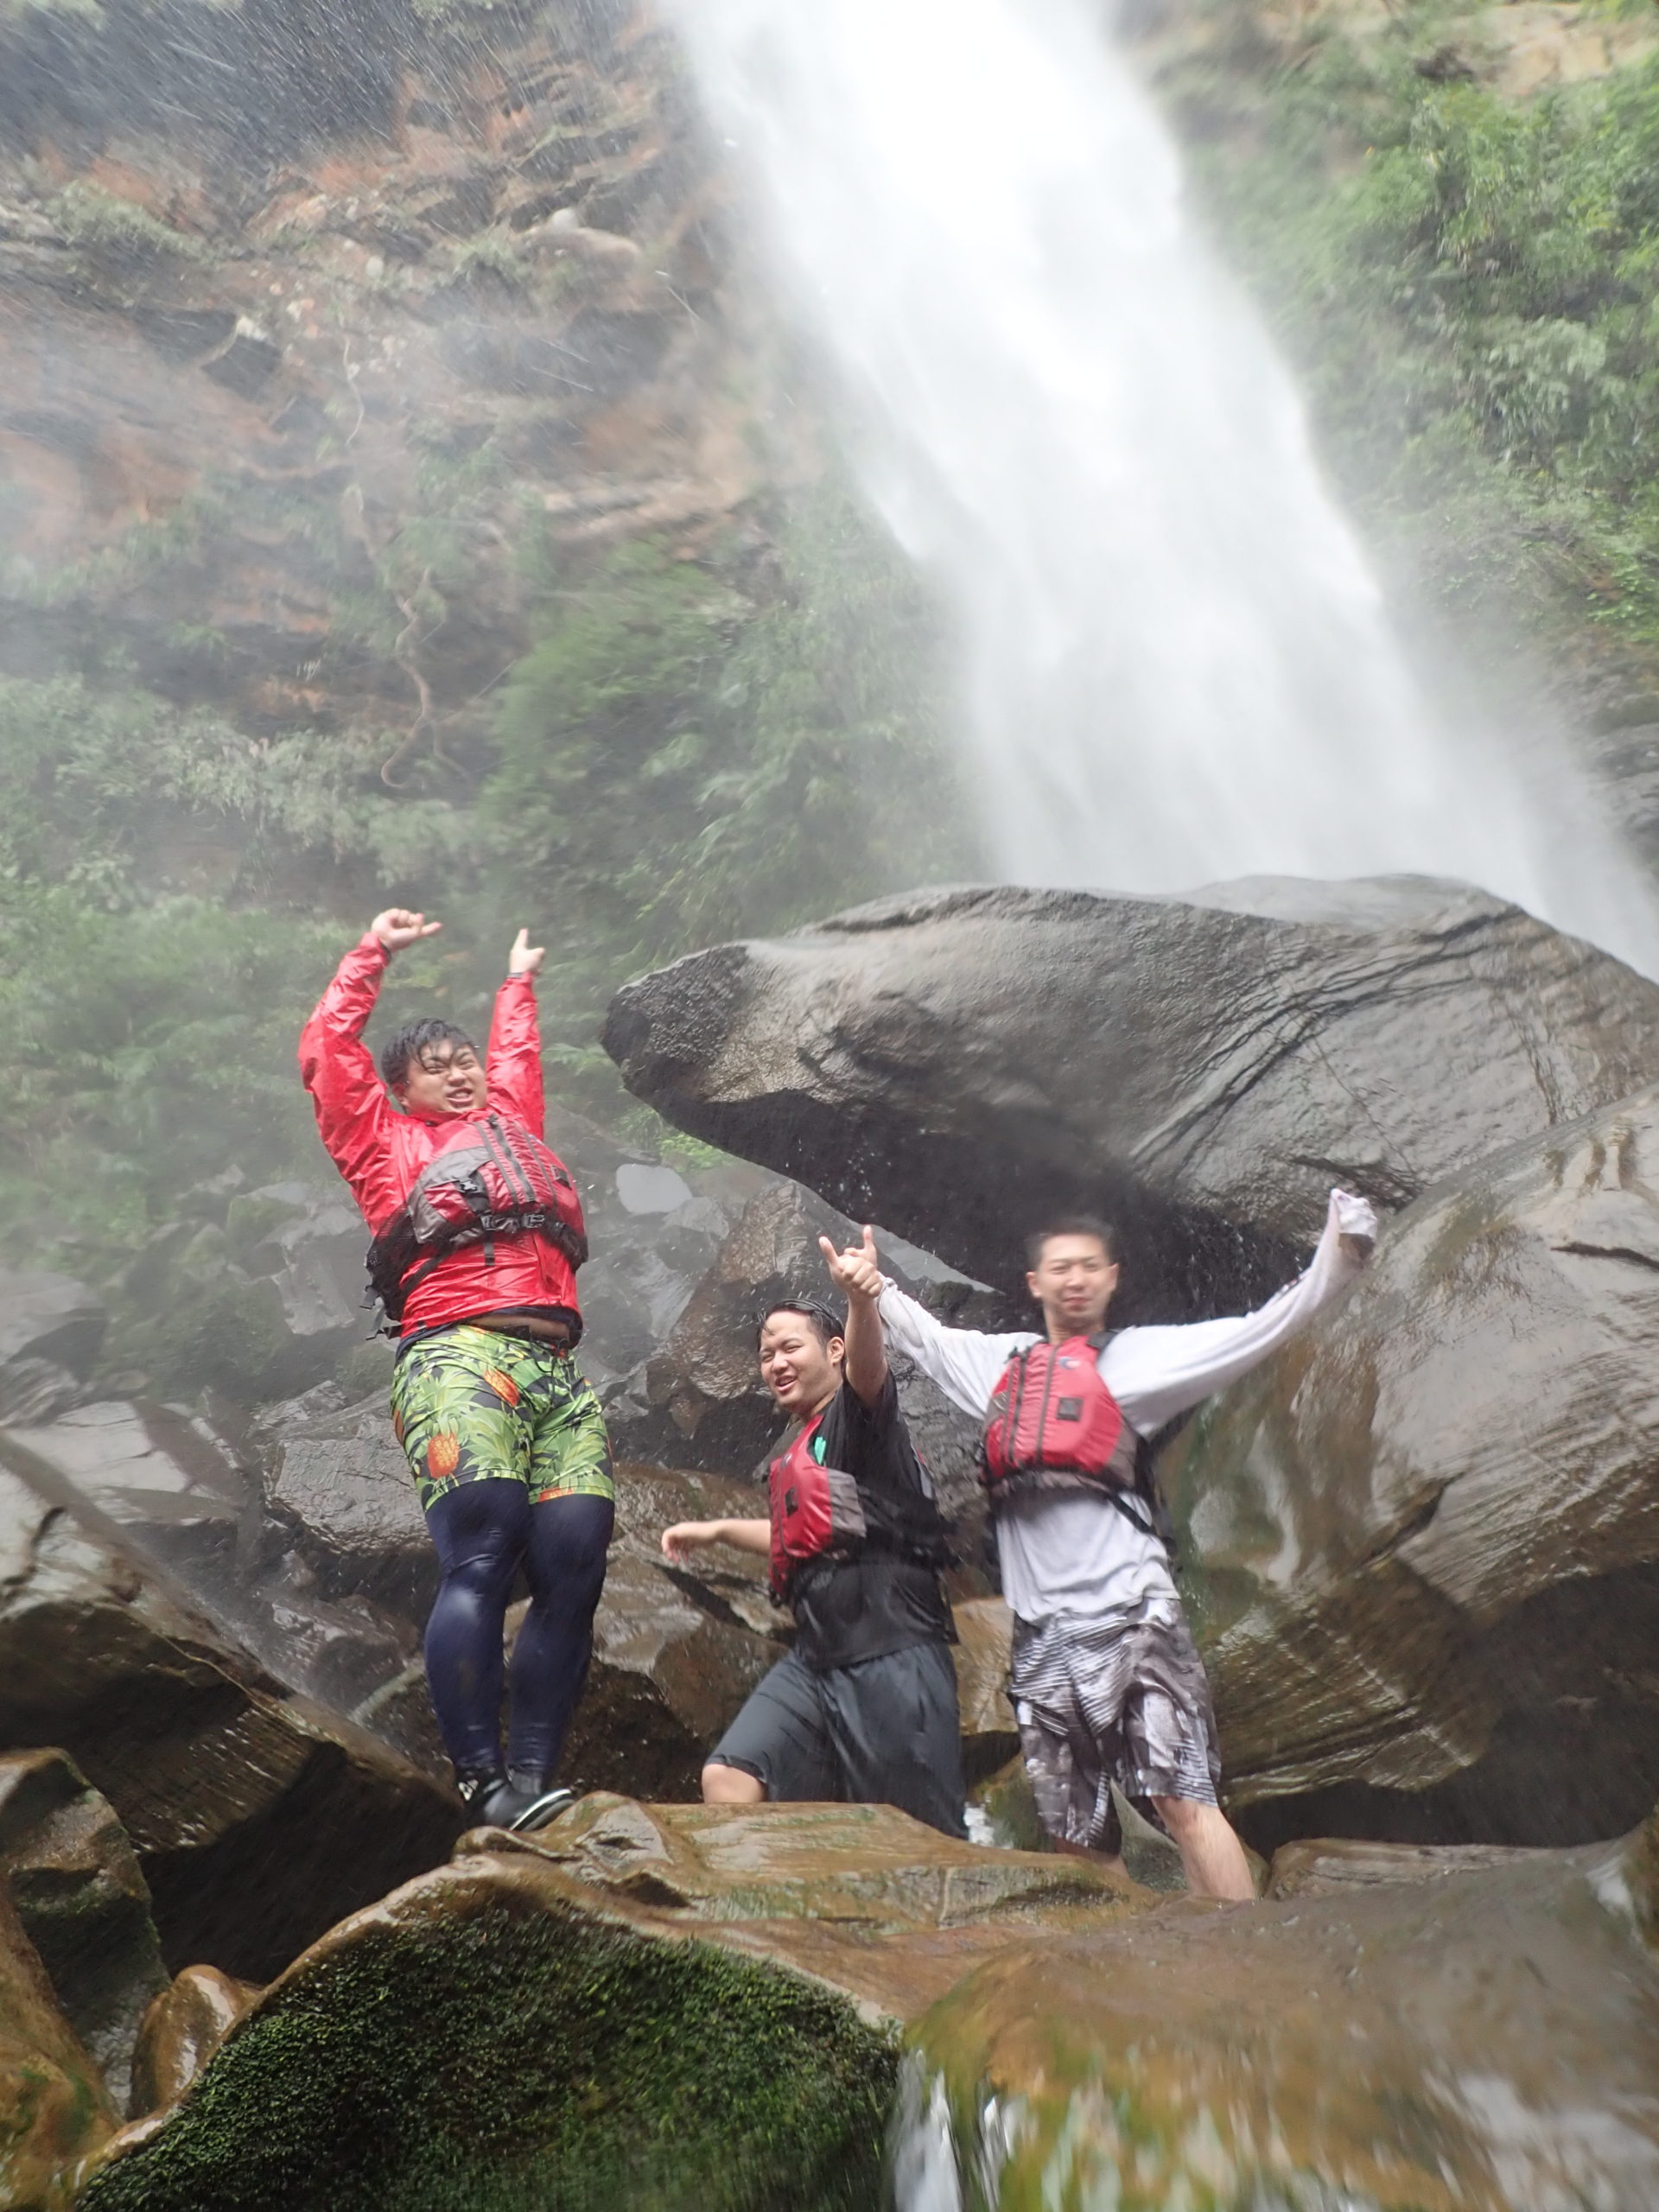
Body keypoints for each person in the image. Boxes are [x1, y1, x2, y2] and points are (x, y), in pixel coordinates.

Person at [848, 1191, 1377, 1900]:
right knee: (1076, 1834)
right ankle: (1129, 1978)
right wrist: (870, 1286)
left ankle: (1250, 1957)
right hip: (1043, 1640)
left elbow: (1258, 1330)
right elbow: (926, 1338)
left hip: (1136, 1622)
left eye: (1089, 1267)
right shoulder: (1002, 1367)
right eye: (1060, 1267)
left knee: (1184, 1803)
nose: (1075, 1279)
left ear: (1111, 1279)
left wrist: (1336, 1260)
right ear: (1034, 1283)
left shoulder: (1139, 1359)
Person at [299, 908, 613, 1833]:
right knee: (482, 1549)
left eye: (462, 1056)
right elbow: (328, 1047)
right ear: (398, 1089)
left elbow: (517, 1058)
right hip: (456, 1354)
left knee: (575, 1561)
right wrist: (371, 951)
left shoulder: (511, 1121)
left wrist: (517, 982)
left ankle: (532, 1780)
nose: (461, 1068)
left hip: (555, 1366)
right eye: (435, 1064)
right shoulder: (381, 1145)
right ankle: (482, 1781)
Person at [660, 1230, 965, 1837]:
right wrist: (720, 1528)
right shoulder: (802, 1445)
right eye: (766, 1353)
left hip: (890, 1648)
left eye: (788, 1347)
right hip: (818, 1656)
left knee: (919, 1840)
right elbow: (808, 1536)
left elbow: (869, 1373)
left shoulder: (860, 1422)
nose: (775, 1363)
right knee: (730, 1778)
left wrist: (860, 1302)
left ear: (832, 1351)